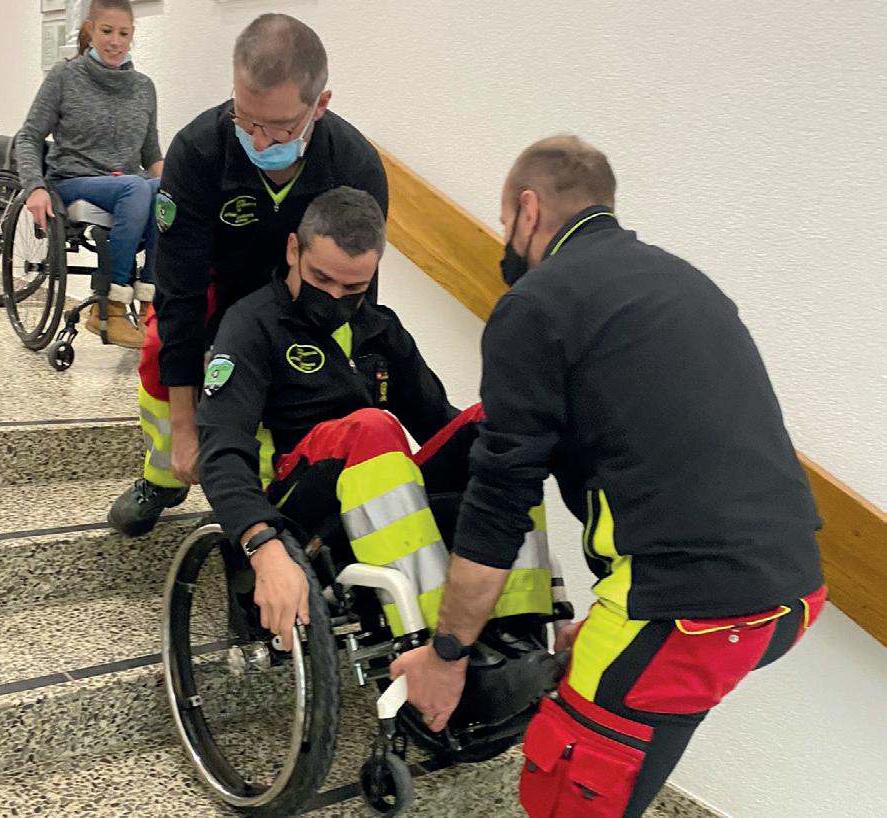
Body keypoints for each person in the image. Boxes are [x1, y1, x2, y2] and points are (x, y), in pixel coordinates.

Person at [390, 135, 826, 818]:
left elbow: (501, 498)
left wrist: (446, 655)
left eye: (505, 222)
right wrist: (606, 620)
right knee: (614, 761)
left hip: (689, 609)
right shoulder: (681, 280)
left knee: (560, 791)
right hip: (792, 590)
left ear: (526, 209)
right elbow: (678, 467)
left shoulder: (536, 305)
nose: (506, 237)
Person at [197, 187, 557, 650]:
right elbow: (222, 447)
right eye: (321, 278)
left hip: (377, 485)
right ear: (293, 250)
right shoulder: (250, 326)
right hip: (295, 494)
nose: (332, 298)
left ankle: (520, 628)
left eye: (353, 288)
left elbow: (439, 426)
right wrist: (261, 542)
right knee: (373, 425)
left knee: (493, 427)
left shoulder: (381, 329)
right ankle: (434, 643)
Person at [107, 14, 388, 536]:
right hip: (216, 287)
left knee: (292, 380)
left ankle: (266, 503)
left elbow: (360, 292)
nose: (259, 142)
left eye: (279, 127)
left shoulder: (357, 166)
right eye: (246, 118)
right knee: (156, 349)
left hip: (302, 298)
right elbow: (179, 295)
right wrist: (188, 432)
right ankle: (165, 474)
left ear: (319, 105)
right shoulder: (198, 152)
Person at [14, 0, 162, 349]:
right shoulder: (65, 76)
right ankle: (108, 306)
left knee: (163, 192)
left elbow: (152, 155)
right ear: (90, 31)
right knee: (136, 189)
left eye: (123, 33)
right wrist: (34, 186)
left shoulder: (144, 87)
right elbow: (29, 136)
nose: (115, 41)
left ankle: (150, 306)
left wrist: (175, 186)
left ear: (132, 36)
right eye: (107, 31)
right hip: (73, 181)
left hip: (126, 184)